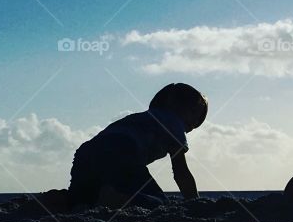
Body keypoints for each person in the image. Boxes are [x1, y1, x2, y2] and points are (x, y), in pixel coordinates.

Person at [68, 83, 207, 208]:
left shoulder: (139, 118)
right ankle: (115, 199)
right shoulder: (173, 121)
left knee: (81, 199)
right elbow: (181, 172)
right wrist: (194, 203)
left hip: (86, 153)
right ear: (174, 105)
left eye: (199, 119)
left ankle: (55, 200)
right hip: (122, 150)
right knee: (157, 202)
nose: (195, 122)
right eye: (194, 113)